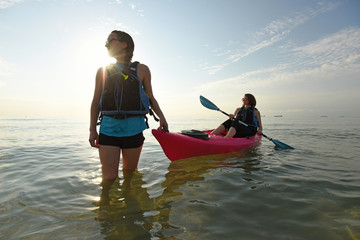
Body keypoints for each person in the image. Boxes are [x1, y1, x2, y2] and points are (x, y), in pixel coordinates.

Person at [89, 30, 168, 180]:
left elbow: (150, 97)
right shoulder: (102, 71)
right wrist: (92, 130)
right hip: (108, 131)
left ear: (124, 44)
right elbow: (95, 102)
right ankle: (106, 204)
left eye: (110, 40)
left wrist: (162, 117)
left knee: (130, 176)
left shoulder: (142, 69)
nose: (106, 44)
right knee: (108, 180)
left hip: (134, 131)